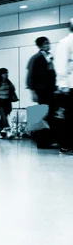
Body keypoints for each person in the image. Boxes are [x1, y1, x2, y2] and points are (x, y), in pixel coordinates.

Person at [54, 19, 73, 154]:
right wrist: (63, 83)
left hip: (69, 85)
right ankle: (65, 144)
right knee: (68, 117)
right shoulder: (65, 42)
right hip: (69, 86)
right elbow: (61, 65)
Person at [27, 37, 56, 106]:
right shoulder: (35, 58)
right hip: (41, 91)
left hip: (51, 90)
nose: (48, 45)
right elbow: (30, 76)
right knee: (44, 111)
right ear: (40, 46)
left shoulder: (49, 57)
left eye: (48, 43)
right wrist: (33, 92)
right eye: (46, 43)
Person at [0, 68, 19, 138]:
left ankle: (0, 132)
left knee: (3, 118)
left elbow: (13, 89)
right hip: (0, 102)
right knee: (4, 117)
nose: (6, 74)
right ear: (0, 74)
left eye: (7, 73)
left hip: (7, 103)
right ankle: (8, 131)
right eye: (5, 73)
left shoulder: (8, 82)